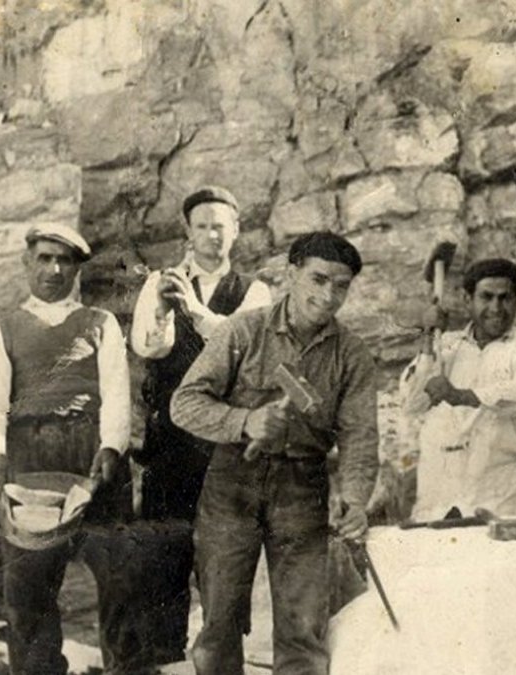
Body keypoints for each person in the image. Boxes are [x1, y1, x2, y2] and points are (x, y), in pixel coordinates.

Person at [171, 231, 378, 675]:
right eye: (318, 279)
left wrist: (356, 499)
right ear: (291, 273)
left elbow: (360, 436)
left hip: (303, 489)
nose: (328, 295)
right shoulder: (242, 331)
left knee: (303, 628)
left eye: (341, 286)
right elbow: (183, 404)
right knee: (220, 622)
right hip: (232, 483)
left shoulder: (352, 356)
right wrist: (244, 421)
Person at [0, 224, 135, 674]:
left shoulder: (101, 324)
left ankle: (127, 668)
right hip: (30, 459)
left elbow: (117, 392)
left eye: (64, 260)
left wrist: (111, 447)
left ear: (77, 269)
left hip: (91, 454)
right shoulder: (2, 329)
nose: (54, 269)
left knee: (120, 573)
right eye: (44, 258)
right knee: (27, 584)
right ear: (27, 263)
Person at [127, 186, 271, 666]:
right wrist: (164, 310)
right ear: (187, 232)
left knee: (224, 575)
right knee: (162, 571)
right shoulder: (159, 283)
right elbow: (148, 348)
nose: (212, 235)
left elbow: (243, 352)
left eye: (220, 227)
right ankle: (165, 664)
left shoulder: (254, 292)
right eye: (202, 226)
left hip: (226, 452)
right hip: (170, 450)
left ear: (236, 231)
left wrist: (194, 310)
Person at [400, 258, 516, 521]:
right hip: (439, 492)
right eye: (486, 297)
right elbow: (412, 403)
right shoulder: (444, 345)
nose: (496, 308)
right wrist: (427, 335)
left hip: (499, 492)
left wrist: (459, 395)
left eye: (505, 298)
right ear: (467, 299)